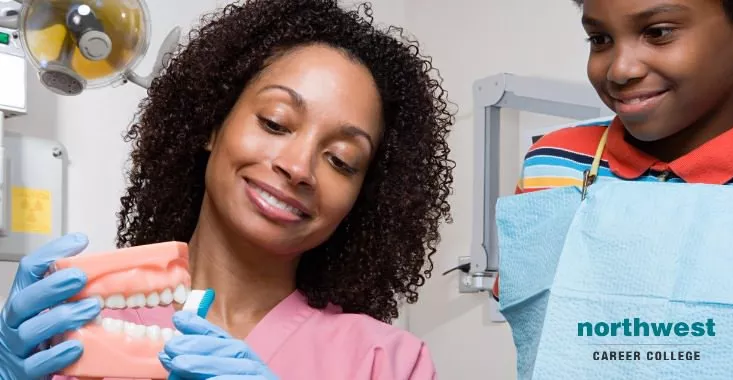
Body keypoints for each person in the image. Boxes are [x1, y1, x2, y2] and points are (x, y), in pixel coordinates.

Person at [0, 0, 456, 379]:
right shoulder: (66, 327)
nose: (299, 168)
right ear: (212, 124)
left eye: (341, 160)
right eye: (275, 122)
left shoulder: (388, 364)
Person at [492, 0, 733, 379]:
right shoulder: (554, 163)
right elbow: (527, 309)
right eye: (600, 39)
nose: (620, 69)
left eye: (658, 33)